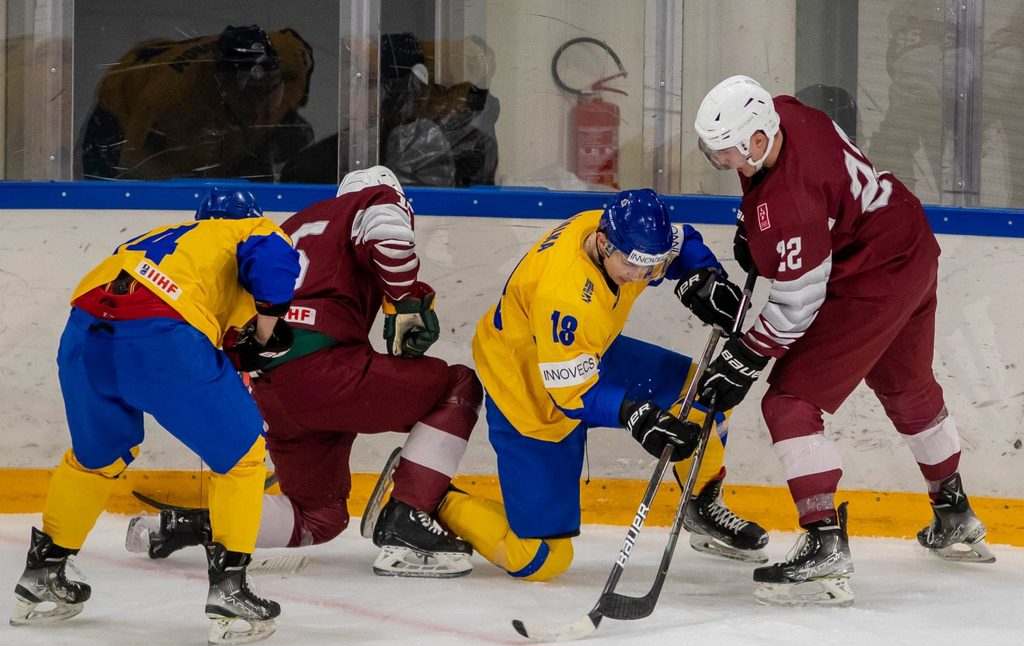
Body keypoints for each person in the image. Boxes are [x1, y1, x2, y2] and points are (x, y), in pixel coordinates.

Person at [692, 75, 996, 607]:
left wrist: (745, 356)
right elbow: (808, 199)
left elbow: (796, 307)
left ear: (757, 139)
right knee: (907, 387)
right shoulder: (785, 112)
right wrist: (755, 227)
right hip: (909, 243)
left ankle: (824, 542)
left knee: (789, 402)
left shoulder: (791, 201)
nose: (721, 162)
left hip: (869, 275)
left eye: (726, 153)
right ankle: (954, 512)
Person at [127, 165, 482, 579]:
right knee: (459, 384)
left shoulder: (287, 226)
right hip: (327, 372)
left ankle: (186, 526)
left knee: (319, 516)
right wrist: (405, 300)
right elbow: (390, 235)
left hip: (272, 388)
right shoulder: (368, 202)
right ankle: (408, 517)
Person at [10, 188, 300, 646]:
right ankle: (231, 592)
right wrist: (266, 333)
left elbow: (186, 309)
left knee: (97, 457)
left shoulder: (164, 238)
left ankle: (43, 573)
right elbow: (273, 264)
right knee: (243, 456)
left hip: (84, 335)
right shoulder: (250, 229)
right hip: (162, 339)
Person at [433, 188, 770, 582]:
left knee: (706, 396)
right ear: (603, 243)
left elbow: (682, 241)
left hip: (584, 351)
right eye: (634, 266)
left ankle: (701, 504)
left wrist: (703, 275)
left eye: (652, 265)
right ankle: (435, 498)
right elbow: (573, 395)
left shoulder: (622, 235)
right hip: (526, 385)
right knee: (539, 558)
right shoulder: (566, 296)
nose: (642, 276)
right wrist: (634, 416)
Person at [80, 25, 314, 181]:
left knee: (290, 137)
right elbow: (134, 181)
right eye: (246, 98)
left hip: (173, 66)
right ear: (221, 87)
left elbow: (296, 44)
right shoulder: (172, 108)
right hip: (121, 105)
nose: (257, 109)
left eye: (268, 93)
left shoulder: (290, 60)